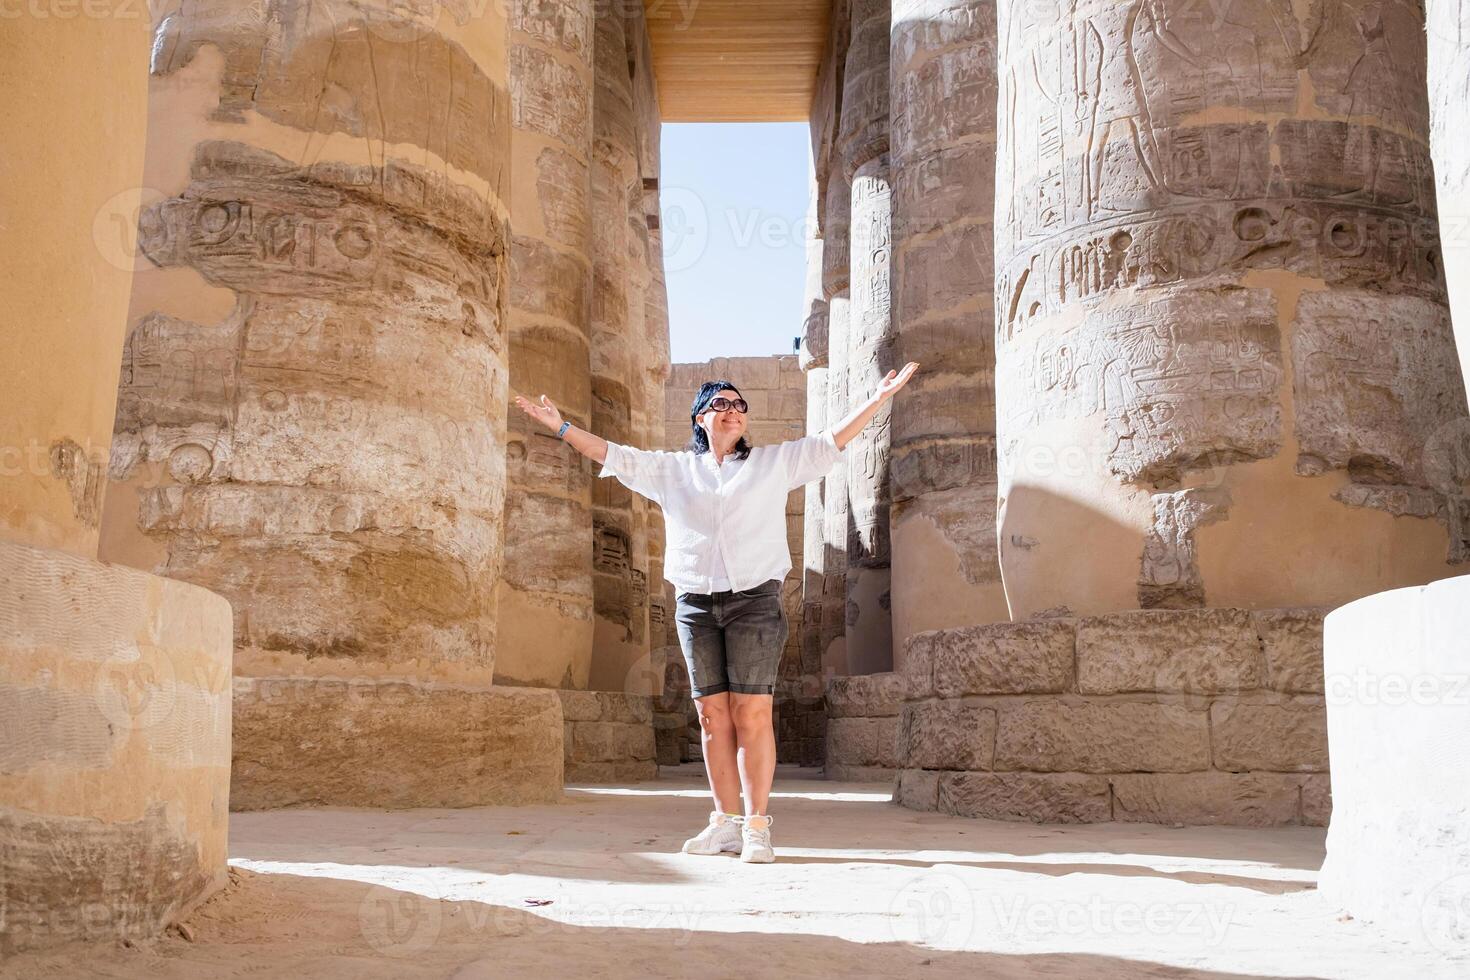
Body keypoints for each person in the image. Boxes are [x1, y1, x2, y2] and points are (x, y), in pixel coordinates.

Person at [514, 361, 920, 863]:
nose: (732, 411)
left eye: (738, 405)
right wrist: (560, 426)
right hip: (695, 604)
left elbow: (829, 442)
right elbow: (613, 455)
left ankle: (757, 827)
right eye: (721, 404)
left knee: (752, 713)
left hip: (754, 601)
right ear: (700, 418)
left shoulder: (773, 464)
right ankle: (724, 823)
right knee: (711, 717)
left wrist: (877, 398)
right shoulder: (673, 471)